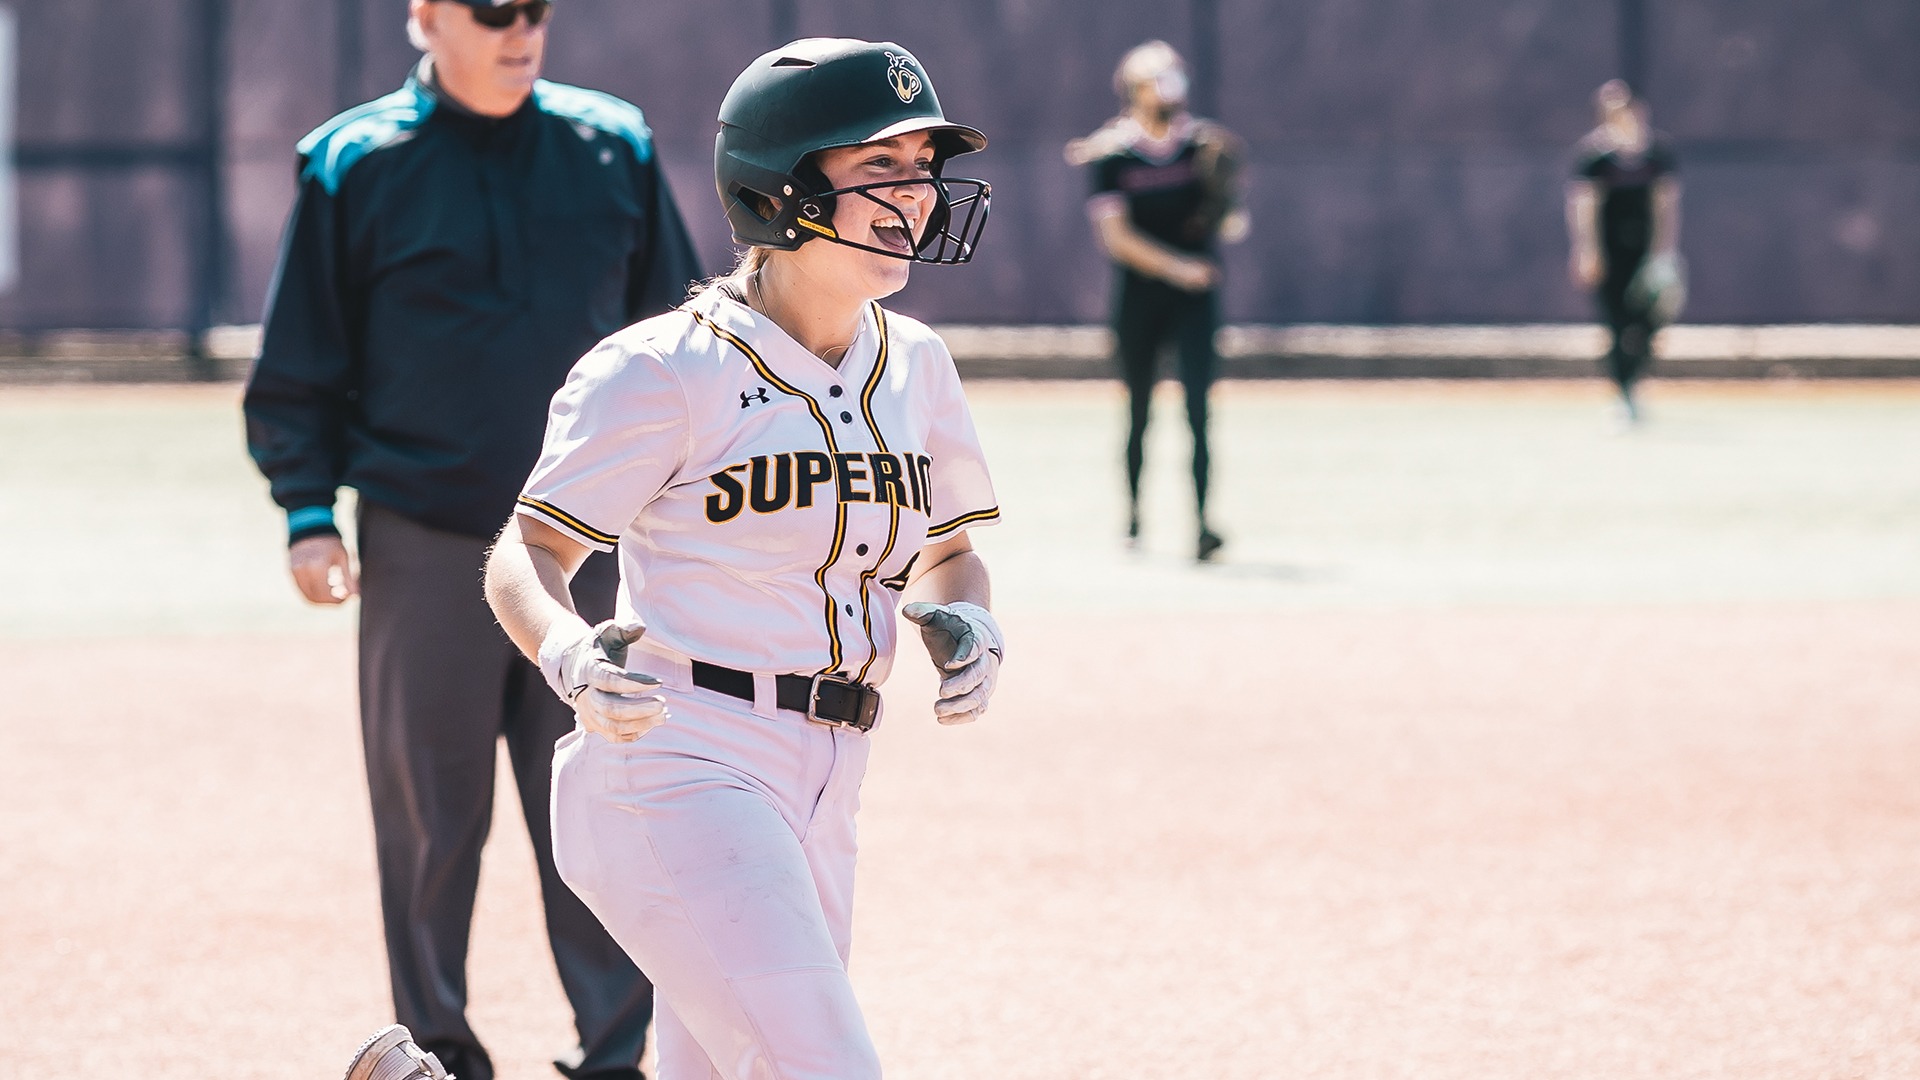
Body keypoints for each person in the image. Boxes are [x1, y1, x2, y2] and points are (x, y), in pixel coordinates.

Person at [481, 38, 1004, 1080]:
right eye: (880, 167)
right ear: (781, 190)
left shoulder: (919, 365)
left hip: (830, 776)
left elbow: (949, 553)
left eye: (923, 166)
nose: (917, 194)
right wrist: (568, 653)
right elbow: (527, 551)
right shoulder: (664, 369)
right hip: (679, 761)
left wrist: (972, 619)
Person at [241, 2, 702, 1078]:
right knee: (428, 822)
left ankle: (617, 1054)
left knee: (605, 799)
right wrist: (307, 511)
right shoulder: (352, 161)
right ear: (425, 15)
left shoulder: (614, 145)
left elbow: (682, 339)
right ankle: (436, 1054)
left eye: (536, 8)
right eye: (493, 10)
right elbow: (300, 356)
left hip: (593, 551)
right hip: (423, 537)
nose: (520, 29)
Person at [1067, 40, 1247, 561]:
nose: (1171, 89)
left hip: (1196, 302)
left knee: (1198, 411)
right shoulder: (1113, 155)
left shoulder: (1204, 148)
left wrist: (1226, 207)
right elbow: (1116, 237)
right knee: (1139, 410)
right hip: (1141, 299)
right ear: (1135, 90)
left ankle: (1203, 525)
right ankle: (1133, 520)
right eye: (1158, 79)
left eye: (1175, 77)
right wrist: (1178, 268)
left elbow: (1230, 223)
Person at [1566, 79, 1683, 425]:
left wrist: (1663, 254)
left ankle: (1634, 383)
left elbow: (1666, 206)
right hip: (1610, 254)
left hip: (1644, 254)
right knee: (1616, 325)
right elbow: (1583, 206)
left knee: (1648, 324)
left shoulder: (1657, 154)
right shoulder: (1594, 157)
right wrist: (1587, 251)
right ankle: (1623, 394)